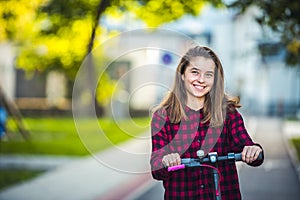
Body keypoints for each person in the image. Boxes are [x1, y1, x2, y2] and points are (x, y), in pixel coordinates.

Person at [150, 46, 264, 199]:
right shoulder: (162, 117)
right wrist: (166, 160)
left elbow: (247, 147)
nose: (201, 80)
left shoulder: (228, 113)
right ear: (182, 74)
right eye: (195, 72)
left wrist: (253, 151)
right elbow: (156, 169)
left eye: (208, 74)